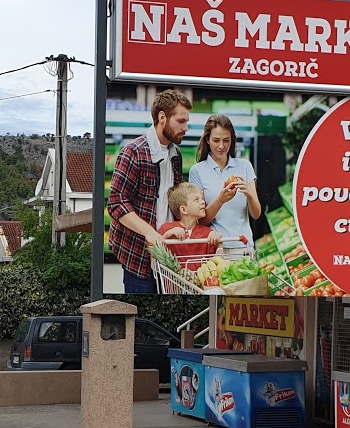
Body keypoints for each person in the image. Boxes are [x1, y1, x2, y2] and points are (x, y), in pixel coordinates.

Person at [107, 90, 191, 293]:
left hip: (169, 256)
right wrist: (150, 234)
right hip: (139, 257)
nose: (186, 128)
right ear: (162, 117)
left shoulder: (176, 155)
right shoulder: (133, 152)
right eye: (180, 121)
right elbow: (117, 203)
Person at [190, 114, 260, 247]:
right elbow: (201, 221)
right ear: (207, 140)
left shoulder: (244, 166)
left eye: (226, 140)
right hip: (215, 250)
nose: (221, 146)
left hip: (243, 248)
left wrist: (249, 195)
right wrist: (220, 200)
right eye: (216, 140)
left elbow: (256, 214)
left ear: (232, 141)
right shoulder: (197, 171)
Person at [158, 182, 221, 270]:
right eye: (197, 199)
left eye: (202, 199)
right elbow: (156, 258)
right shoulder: (167, 229)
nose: (203, 202)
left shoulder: (208, 233)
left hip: (201, 282)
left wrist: (219, 243)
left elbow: (217, 264)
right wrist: (166, 236)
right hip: (173, 282)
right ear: (183, 209)